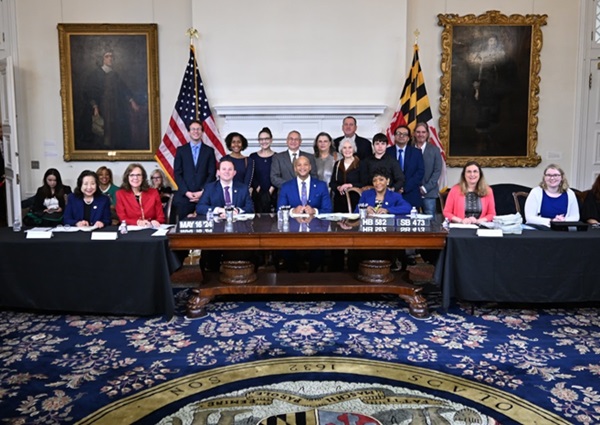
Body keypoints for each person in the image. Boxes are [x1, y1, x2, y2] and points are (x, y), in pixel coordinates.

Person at [277, 155, 332, 272]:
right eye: (299, 165)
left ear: (310, 167)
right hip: (292, 230)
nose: (302, 167)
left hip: (316, 230)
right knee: (285, 248)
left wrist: (314, 211)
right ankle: (295, 276)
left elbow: (328, 210)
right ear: (295, 168)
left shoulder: (321, 185)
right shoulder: (286, 186)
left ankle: (312, 276)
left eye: (305, 164)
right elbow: (280, 209)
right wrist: (292, 211)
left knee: (319, 249)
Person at [78, 49, 141, 150]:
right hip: (102, 106)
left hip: (114, 107)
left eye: (111, 56)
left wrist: (132, 101)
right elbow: (89, 92)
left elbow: (123, 89)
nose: (110, 58)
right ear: (102, 59)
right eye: (107, 56)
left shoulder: (115, 75)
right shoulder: (95, 74)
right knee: (102, 128)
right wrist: (95, 106)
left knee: (115, 129)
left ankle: (112, 145)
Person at [173, 120, 217, 218]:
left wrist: (202, 192)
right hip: (185, 197)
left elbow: (212, 174)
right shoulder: (181, 151)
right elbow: (177, 173)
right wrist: (186, 192)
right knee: (184, 229)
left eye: (198, 129)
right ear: (188, 132)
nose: (196, 131)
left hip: (204, 197)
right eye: (193, 129)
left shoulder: (209, 151)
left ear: (202, 132)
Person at [386, 125, 425, 209]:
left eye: (404, 134)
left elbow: (420, 172)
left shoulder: (416, 153)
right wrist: (395, 187)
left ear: (408, 138)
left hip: (411, 193)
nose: (401, 136)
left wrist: (405, 188)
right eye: (398, 133)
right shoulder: (387, 152)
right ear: (394, 136)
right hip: (391, 193)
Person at [414, 123, 443, 216]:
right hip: (412, 192)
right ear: (414, 133)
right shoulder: (409, 149)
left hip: (429, 193)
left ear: (427, 134)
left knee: (430, 221)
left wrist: (425, 188)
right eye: (418, 132)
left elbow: (437, 171)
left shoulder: (435, 150)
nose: (420, 134)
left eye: (423, 132)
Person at [330, 138, 362, 213]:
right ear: (341, 150)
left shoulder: (360, 164)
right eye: (344, 147)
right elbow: (332, 183)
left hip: (355, 202)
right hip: (339, 202)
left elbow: (364, 182)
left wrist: (350, 185)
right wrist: (338, 187)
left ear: (354, 149)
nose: (347, 150)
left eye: (350, 147)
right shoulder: (337, 164)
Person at [249, 127, 277, 213]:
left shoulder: (277, 156)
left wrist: (271, 190)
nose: (264, 141)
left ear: (271, 140)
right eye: (261, 139)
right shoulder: (253, 156)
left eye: (266, 139)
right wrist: (257, 188)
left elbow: (278, 174)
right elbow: (251, 175)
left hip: (274, 194)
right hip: (257, 194)